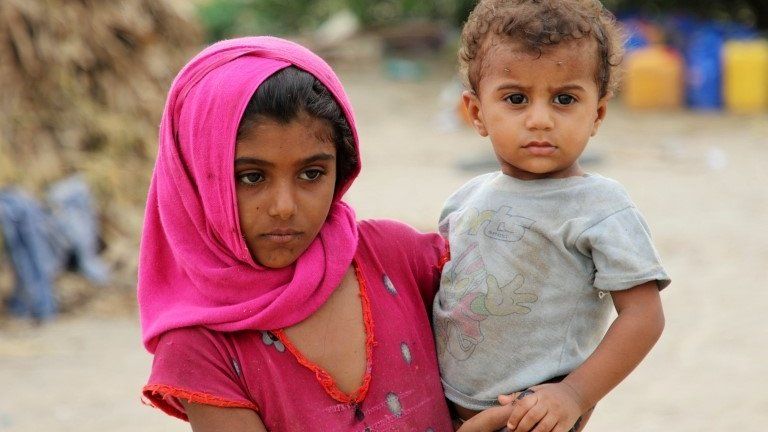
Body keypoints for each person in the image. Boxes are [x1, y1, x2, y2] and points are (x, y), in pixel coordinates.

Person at [137, 36, 453, 431]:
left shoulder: (399, 258)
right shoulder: (199, 347)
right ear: (197, 179)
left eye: (311, 174)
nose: (284, 206)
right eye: (251, 177)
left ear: (343, 166)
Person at [433, 1, 671, 431]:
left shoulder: (601, 206)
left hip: (532, 420)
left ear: (596, 113)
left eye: (564, 99)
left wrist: (575, 393)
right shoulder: (463, 199)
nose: (540, 120)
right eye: (516, 99)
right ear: (476, 113)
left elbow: (644, 317)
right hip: (442, 411)